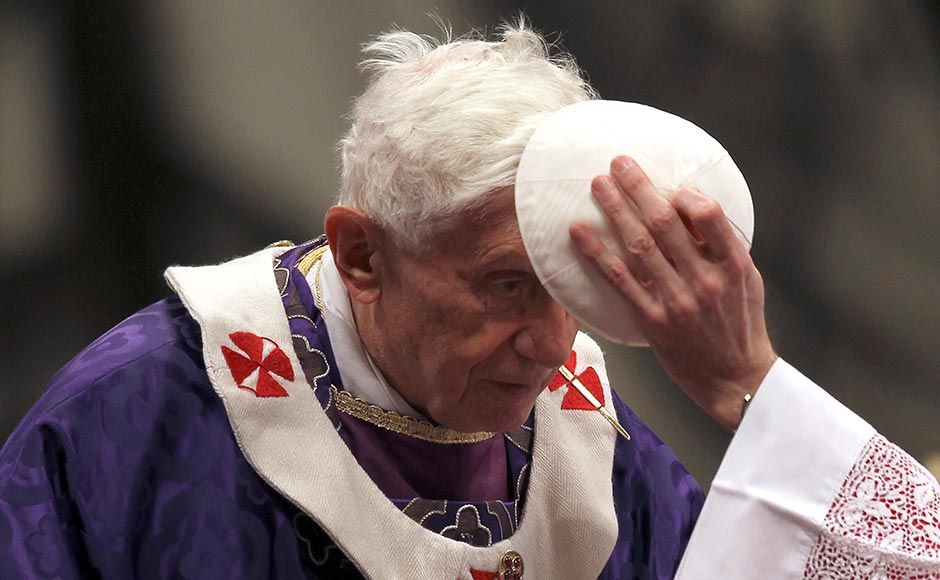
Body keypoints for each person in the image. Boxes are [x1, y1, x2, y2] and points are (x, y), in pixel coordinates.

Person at [0, 21, 936, 580]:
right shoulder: (143, 414)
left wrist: (749, 384)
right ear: (363, 254)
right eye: (505, 286)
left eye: (571, 290)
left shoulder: (592, 446)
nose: (549, 344)